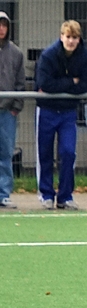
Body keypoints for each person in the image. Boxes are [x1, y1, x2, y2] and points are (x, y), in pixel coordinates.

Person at [34, 20, 87, 210]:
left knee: (68, 152)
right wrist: (71, 82)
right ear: (61, 37)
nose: (71, 41)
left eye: (74, 37)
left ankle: (65, 196)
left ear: (79, 39)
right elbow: (45, 84)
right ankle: (46, 194)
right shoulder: (48, 55)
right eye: (68, 37)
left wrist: (62, 85)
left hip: (68, 112)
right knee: (45, 153)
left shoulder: (85, 57)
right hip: (47, 110)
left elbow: (85, 85)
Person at [0, 12, 25, 209]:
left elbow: (20, 83)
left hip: (7, 112)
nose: (1, 29)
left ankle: (4, 193)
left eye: (4, 25)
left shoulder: (16, 53)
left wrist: (16, 107)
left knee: (6, 153)